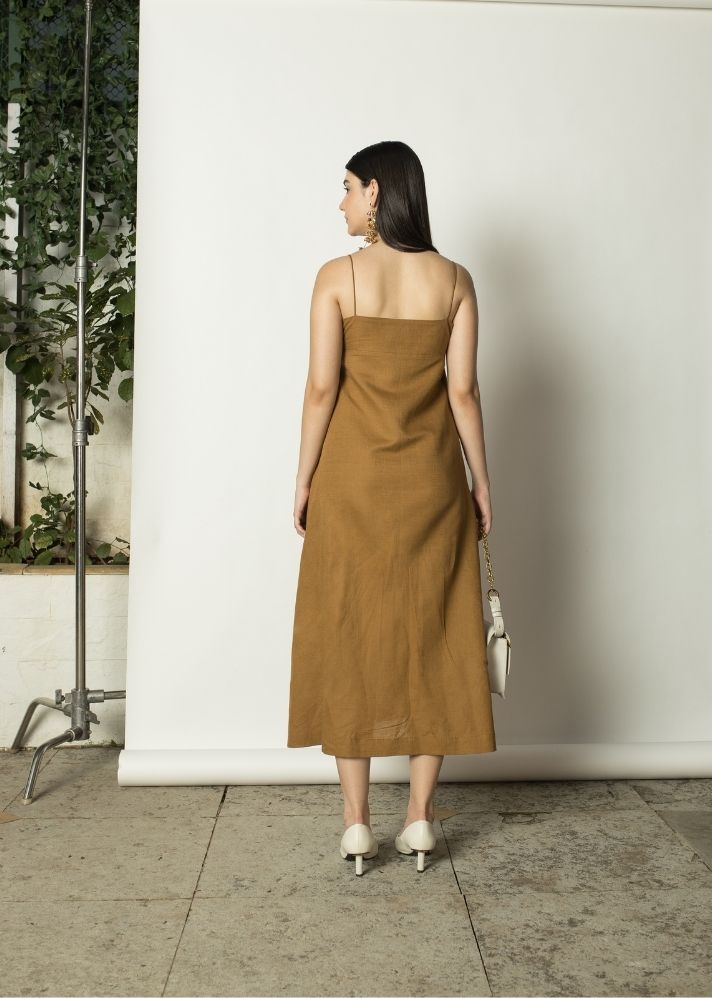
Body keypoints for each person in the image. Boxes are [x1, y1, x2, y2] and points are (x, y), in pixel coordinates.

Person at [288, 140, 497, 876]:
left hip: (351, 484)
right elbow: (463, 393)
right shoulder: (455, 280)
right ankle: (419, 819)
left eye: (347, 187)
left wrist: (304, 478)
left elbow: (322, 389)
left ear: (376, 192)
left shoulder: (337, 277)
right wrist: (481, 483)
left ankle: (355, 825)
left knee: (348, 630)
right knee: (434, 634)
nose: (341, 201)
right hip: (433, 484)